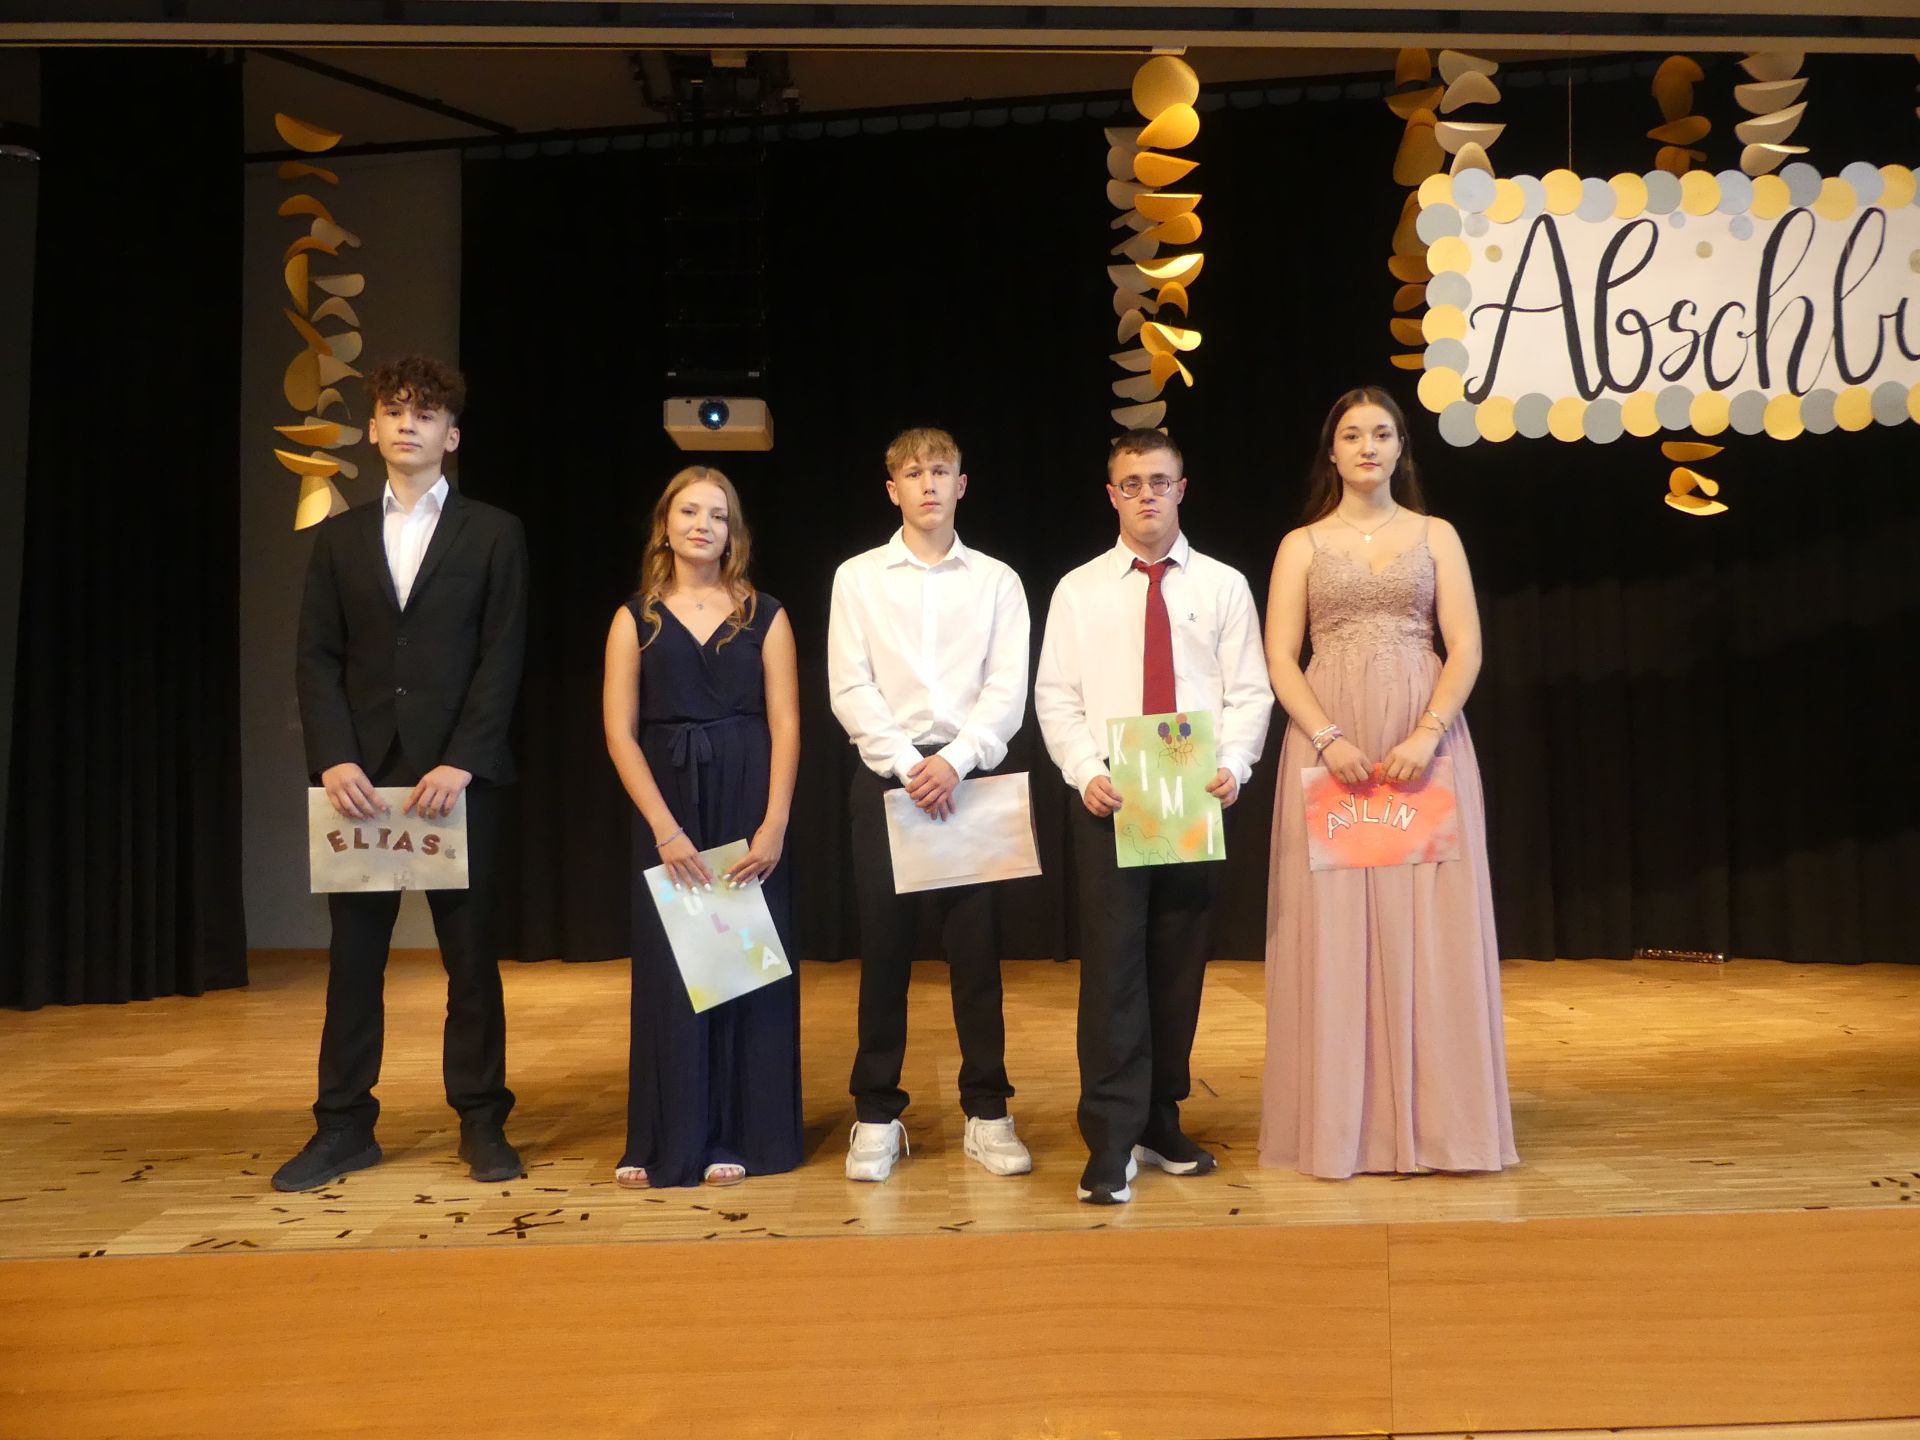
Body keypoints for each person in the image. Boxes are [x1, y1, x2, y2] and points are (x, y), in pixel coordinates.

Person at [276, 355, 529, 1192]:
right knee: (354, 962)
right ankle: (343, 1126)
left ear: (451, 435)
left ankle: (482, 1121)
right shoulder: (340, 537)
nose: (408, 423)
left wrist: (464, 757)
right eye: (394, 410)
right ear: (374, 429)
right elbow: (316, 656)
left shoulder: (494, 532)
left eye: (425, 413)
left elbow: (502, 654)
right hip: (361, 778)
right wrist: (333, 755)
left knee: (471, 962)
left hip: (457, 779)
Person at [1259, 386, 1516, 1178]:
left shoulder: (1437, 535)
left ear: (1402, 447)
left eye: (1381, 433)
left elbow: (1465, 646)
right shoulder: (1301, 544)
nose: (1367, 446)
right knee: (1336, 931)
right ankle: (1346, 1129)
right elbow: (1279, 657)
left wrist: (1428, 731)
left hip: (1421, 745)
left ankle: (1441, 1129)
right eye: (1351, 434)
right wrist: (1327, 737)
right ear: (1331, 451)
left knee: (1429, 929)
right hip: (1331, 745)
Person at [1034, 428, 1273, 1204]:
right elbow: (1056, 697)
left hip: (1192, 800)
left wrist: (1235, 764)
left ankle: (1160, 1118)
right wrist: (1085, 771)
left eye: (1159, 481)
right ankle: (1109, 1137)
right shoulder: (1079, 590)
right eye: (1131, 483)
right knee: (1113, 971)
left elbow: (1250, 691)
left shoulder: (1224, 586)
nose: (1146, 495)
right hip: (1113, 798)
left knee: (1178, 966)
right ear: (1112, 495)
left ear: (1181, 489)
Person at [828, 427, 1033, 1182]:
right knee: (884, 954)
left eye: (940, 471)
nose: (928, 484)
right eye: (912, 474)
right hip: (891, 776)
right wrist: (912, 765)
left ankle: (988, 1111)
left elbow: (1007, 687)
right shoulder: (858, 578)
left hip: (971, 776)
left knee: (976, 957)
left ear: (961, 484)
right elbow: (850, 685)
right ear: (893, 490)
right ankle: (877, 1114)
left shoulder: (997, 580)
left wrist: (954, 760)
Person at [602, 465, 802, 1189]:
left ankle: (739, 1134)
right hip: (670, 804)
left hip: (746, 797)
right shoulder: (634, 618)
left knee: (741, 968)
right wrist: (664, 829)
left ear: (732, 531)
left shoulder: (765, 615)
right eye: (689, 511)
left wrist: (773, 824)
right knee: (674, 970)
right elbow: (619, 732)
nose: (702, 525)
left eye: (717, 515)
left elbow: (787, 724)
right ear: (665, 524)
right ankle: (669, 1134)